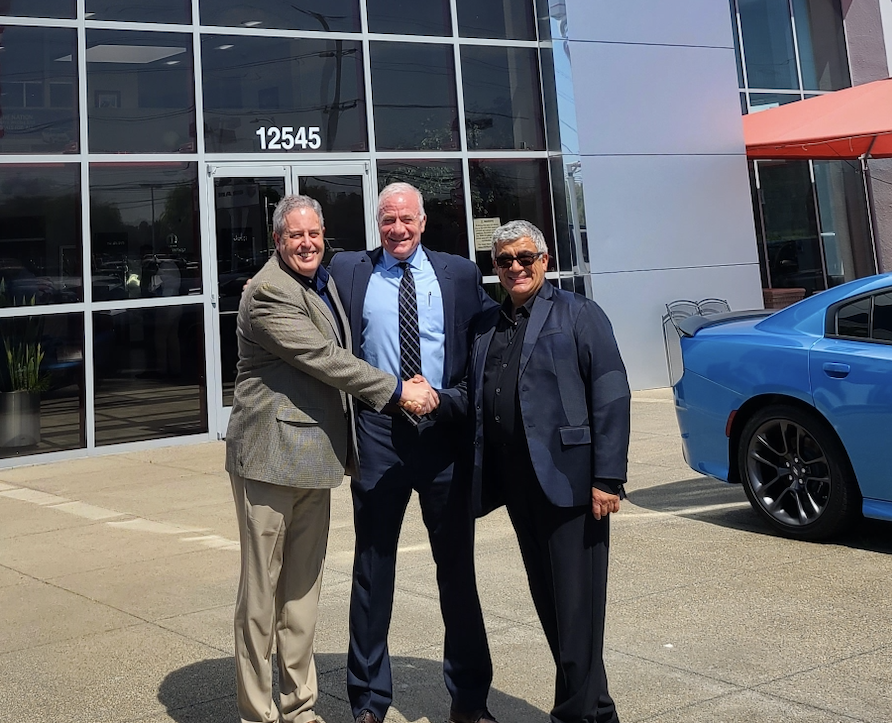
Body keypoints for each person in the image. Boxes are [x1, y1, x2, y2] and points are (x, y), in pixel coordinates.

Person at [225, 194, 437, 723]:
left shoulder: (321, 281)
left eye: (314, 234)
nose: (306, 243)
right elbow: (323, 358)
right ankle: (258, 712)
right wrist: (395, 391)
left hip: (314, 459)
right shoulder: (270, 293)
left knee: (301, 593)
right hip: (270, 458)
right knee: (261, 596)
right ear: (277, 240)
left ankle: (299, 707)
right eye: (295, 235)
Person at [330, 181, 501, 723]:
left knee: (456, 571)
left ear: (423, 222)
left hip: (442, 437)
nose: (397, 229)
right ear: (376, 225)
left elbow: (486, 349)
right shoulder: (349, 271)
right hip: (379, 433)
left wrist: (451, 402)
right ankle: (368, 699)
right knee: (372, 568)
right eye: (387, 220)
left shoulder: (460, 274)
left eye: (406, 219)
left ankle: (470, 699)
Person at [462, 220, 630, 723]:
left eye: (525, 257)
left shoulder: (579, 314)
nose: (516, 267)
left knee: (578, 608)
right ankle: (597, 711)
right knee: (552, 605)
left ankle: (573, 714)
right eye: (505, 260)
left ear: (545, 259)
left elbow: (611, 393)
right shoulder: (487, 324)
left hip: (574, 483)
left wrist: (607, 478)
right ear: (494, 268)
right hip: (518, 485)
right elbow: (472, 396)